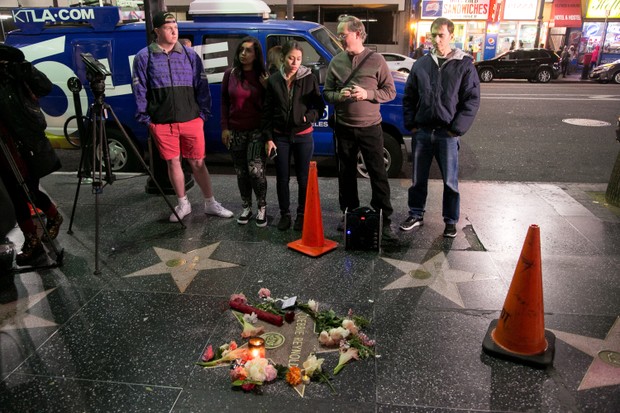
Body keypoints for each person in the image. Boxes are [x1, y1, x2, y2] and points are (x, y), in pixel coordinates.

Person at [132, 11, 232, 222]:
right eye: (168, 27)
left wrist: (202, 115)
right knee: (173, 162)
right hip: (162, 123)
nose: (174, 30)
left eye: (175, 26)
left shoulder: (190, 55)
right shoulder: (144, 57)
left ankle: (210, 202)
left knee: (198, 162)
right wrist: (147, 120)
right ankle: (182, 203)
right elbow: (140, 89)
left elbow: (201, 86)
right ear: (157, 31)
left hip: (192, 120)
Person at [400, 17, 480, 238]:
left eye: (441, 35)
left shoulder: (463, 65)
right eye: (432, 34)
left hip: (447, 134)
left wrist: (456, 129)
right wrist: (412, 125)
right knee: (417, 179)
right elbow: (409, 97)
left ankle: (451, 220)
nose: (435, 39)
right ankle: (415, 214)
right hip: (423, 132)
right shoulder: (421, 64)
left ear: (452, 36)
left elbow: (471, 100)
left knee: (450, 182)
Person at [323, 15, 398, 244]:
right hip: (344, 128)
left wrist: (368, 94)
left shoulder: (376, 60)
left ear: (357, 33)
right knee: (345, 176)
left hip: (370, 128)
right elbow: (327, 93)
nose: (340, 38)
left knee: (378, 174)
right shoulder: (336, 62)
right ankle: (349, 214)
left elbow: (390, 91)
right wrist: (339, 95)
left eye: (343, 34)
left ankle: (384, 220)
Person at [0, 44, 63, 265]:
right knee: (14, 194)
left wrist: (23, 68)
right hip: (3, 145)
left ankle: (53, 215)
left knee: (28, 190)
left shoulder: (14, 72)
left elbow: (45, 87)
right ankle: (31, 240)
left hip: (23, 142)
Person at [262, 41, 324, 231]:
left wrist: (308, 116)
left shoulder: (309, 78)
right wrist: (269, 137)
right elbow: (267, 112)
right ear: (283, 58)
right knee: (282, 177)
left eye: (298, 59)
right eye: (291, 58)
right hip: (280, 136)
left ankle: (301, 215)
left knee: (303, 178)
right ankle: (285, 214)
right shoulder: (273, 80)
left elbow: (319, 107)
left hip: (303, 135)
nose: (295, 62)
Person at [221, 37, 269, 227]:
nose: (244, 54)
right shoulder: (230, 74)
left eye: (249, 50)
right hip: (236, 130)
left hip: (257, 130)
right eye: (241, 50)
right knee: (241, 172)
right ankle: (247, 207)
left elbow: (270, 105)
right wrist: (224, 127)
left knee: (255, 171)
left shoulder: (263, 76)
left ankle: (262, 207)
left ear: (256, 54)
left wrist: (267, 88)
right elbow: (224, 102)